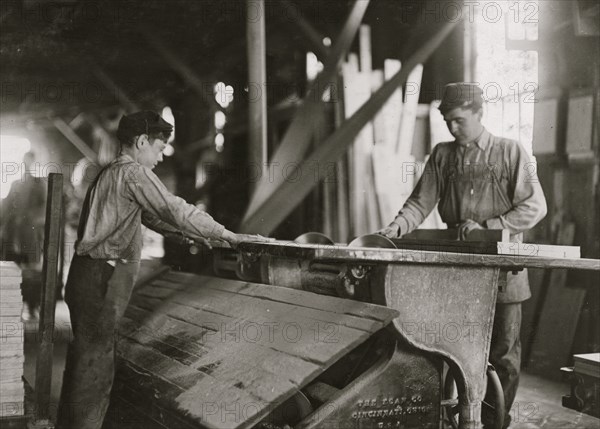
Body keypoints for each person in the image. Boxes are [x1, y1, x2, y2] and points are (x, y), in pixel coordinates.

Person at [56, 111, 265, 429]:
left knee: (86, 356)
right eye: (158, 148)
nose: (159, 157)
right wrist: (227, 234)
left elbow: (153, 218)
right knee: (96, 364)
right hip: (101, 279)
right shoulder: (133, 173)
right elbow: (173, 208)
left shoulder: (110, 173)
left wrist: (198, 235)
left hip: (86, 276)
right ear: (141, 142)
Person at [376, 83, 547, 428]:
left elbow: (535, 205)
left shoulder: (510, 152)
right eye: (447, 122)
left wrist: (490, 224)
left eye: (459, 120)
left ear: (479, 114)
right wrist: (394, 228)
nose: (452, 129)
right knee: (446, 347)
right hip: (457, 268)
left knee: (502, 355)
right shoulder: (442, 155)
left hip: (504, 269)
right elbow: (419, 204)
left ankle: (495, 420)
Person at [0, 151, 46, 320]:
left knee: (32, 272)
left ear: (34, 163)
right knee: (12, 270)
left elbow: (44, 210)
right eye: (25, 161)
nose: (27, 165)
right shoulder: (15, 184)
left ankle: (31, 307)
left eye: (30, 161)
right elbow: (5, 209)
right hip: (13, 235)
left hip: (30, 235)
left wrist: (30, 220)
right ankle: (11, 307)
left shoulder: (39, 184)